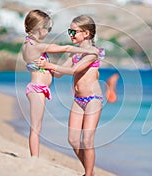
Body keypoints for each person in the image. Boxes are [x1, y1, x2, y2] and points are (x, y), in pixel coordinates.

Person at [22, 10, 98, 157]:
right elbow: (66, 48)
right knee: (36, 128)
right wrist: (89, 52)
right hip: (37, 89)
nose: (49, 32)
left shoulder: (29, 44)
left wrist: (51, 67)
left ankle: (35, 157)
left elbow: (57, 73)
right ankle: (35, 159)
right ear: (39, 28)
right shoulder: (35, 46)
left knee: (36, 126)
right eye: (48, 29)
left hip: (39, 88)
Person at [38, 15, 103, 176]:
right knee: (73, 140)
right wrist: (44, 65)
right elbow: (60, 73)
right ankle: (91, 172)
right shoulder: (73, 54)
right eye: (70, 31)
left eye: (74, 31)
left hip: (93, 100)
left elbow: (75, 70)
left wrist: (50, 65)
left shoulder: (93, 52)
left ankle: (88, 174)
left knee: (87, 141)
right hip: (78, 100)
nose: (71, 35)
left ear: (86, 34)